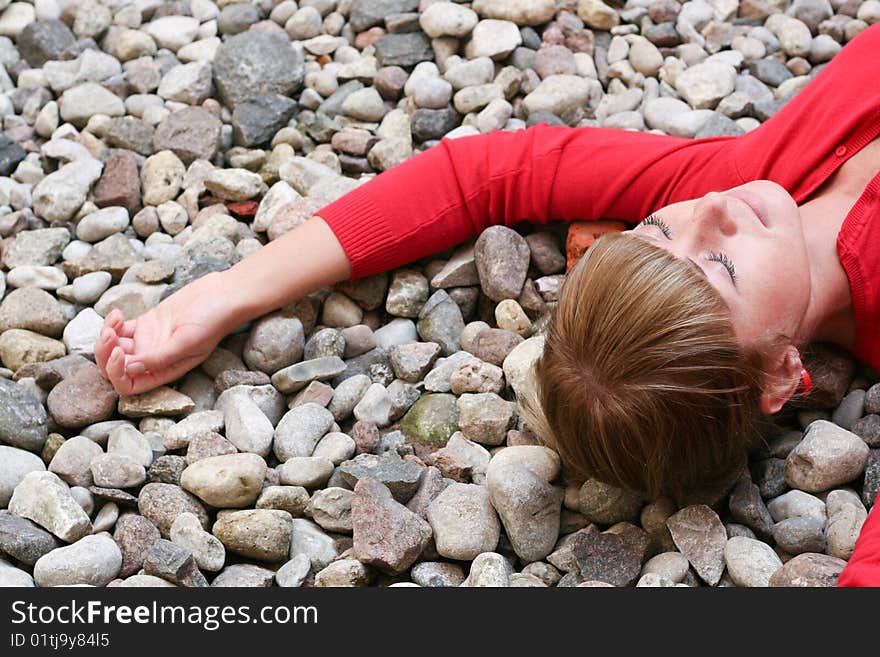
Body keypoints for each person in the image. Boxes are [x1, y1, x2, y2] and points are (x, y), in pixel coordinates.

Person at [95, 22, 880, 585]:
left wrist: (227, 293)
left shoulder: (736, 180)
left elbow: (488, 172)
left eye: (653, 228)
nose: (711, 209)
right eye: (719, 265)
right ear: (780, 378)